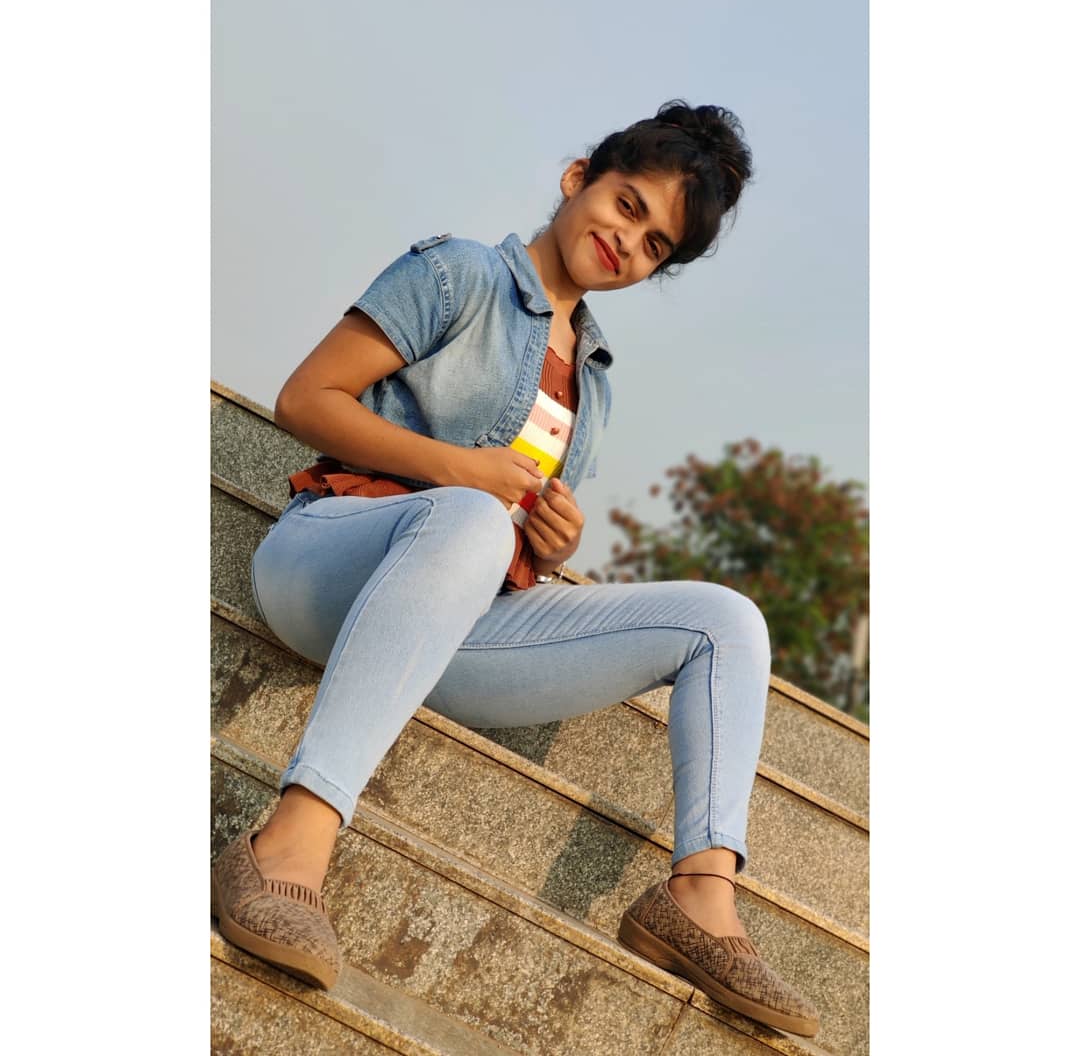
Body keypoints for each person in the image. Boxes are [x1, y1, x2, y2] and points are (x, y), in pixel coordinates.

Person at [211, 100, 820, 1038]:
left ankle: (699, 895)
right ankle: (291, 837)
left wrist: (550, 544)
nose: (628, 241)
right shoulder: (458, 273)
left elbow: (505, 522)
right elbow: (306, 397)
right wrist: (464, 476)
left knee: (726, 620)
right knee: (467, 520)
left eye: (655, 244)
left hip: (444, 627)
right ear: (578, 178)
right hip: (325, 563)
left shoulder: (595, 382)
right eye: (627, 205)